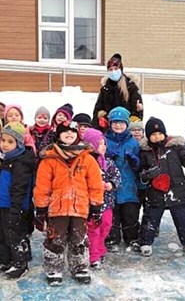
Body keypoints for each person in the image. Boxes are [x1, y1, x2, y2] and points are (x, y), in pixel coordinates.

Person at [34, 120, 104, 286]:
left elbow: (95, 184)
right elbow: (42, 186)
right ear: (58, 136)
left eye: (73, 132)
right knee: (54, 239)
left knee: (79, 239)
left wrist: (96, 206)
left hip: (80, 208)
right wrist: (41, 208)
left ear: (78, 136)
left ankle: (79, 267)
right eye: (65, 132)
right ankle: (53, 268)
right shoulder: (49, 159)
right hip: (57, 208)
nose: (69, 135)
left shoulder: (87, 159)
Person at [137, 118, 185, 258]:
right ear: (148, 137)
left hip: (177, 190)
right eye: (153, 134)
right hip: (155, 191)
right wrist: (147, 174)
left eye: (160, 133)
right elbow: (140, 171)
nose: (157, 137)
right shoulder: (145, 152)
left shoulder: (176, 147)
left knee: (184, 220)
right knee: (150, 219)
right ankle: (145, 242)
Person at [0, 122, 36, 279]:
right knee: (1, 233)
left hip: (15, 206)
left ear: (19, 143)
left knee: (15, 234)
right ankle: (5, 261)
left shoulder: (20, 163)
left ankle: (20, 264)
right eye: (3, 140)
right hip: (2, 204)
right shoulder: (4, 159)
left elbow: (19, 189)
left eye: (10, 142)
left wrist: (16, 209)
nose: (5, 145)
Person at [81, 128, 121, 269]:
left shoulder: (108, 163)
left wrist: (111, 184)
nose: (104, 146)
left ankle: (99, 246)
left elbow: (117, 176)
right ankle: (94, 256)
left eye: (104, 143)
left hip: (107, 202)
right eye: (100, 143)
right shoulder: (83, 162)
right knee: (93, 228)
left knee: (106, 225)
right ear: (91, 144)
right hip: (91, 203)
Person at [103, 107, 141, 251]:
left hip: (128, 184)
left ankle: (131, 238)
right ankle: (112, 239)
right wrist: (107, 157)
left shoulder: (133, 142)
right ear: (110, 123)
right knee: (113, 214)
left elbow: (139, 165)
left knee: (130, 214)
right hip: (110, 185)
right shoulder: (105, 140)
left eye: (121, 122)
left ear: (127, 124)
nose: (118, 125)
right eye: (114, 122)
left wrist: (135, 162)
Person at [93, 53, 143, 131]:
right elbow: (97, 110)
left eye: (116, 69)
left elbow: (137, 112)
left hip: (126, 130)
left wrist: (129, 126)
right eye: (110, 69)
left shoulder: (131, 87)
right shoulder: (105, 89)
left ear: (121, 69)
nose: (113, 72)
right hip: (108, 129)